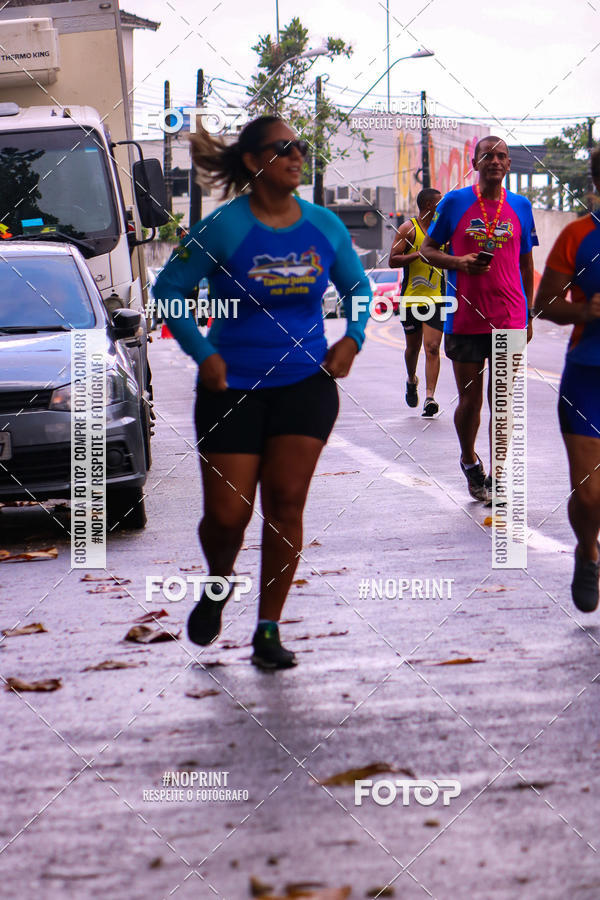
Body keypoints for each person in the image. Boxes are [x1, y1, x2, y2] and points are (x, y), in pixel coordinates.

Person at [153, 115, 371, 669]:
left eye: (301, 147)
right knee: (227, 517)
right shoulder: (224, 227)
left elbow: (357, 285)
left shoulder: (323, 226)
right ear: (254, 162)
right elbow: (169, 289)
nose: (298, 155)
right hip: (232, 388)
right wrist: (204, 355)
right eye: (284, 148)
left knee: (286, 503)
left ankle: (268, 629)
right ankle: (219, 582)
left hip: (304, 385)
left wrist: (354, 337)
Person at [421, 137, 538, 502]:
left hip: (509, 316)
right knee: (470, 402)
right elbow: (427, 249)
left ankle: (500, 478)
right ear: (475, 162)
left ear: (508, 165)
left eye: (502, 156)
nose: (495, 161)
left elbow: (526, 262)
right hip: (466, 318)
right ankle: (470, 461)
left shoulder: (520, 205)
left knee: (501, 401)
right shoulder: (455, 202)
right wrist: (458, 263)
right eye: (488, 155)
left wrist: (529, 313)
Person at [534, 144, 600, 612]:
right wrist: (585, 309)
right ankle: (587, 550)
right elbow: (545, 304)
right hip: (588, 377)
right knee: (590, 492)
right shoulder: (578, 235)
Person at [389, 188, 444, 417]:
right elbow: (393, 260)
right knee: (413, 348)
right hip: (411, 299)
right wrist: (417, 255)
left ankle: (430, 397)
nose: (443, 207)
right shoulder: (407, 228)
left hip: (436, 299)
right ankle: (412, 380)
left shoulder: (443, 229)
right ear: (429, 205)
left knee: (432, 348)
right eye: (439, 203)